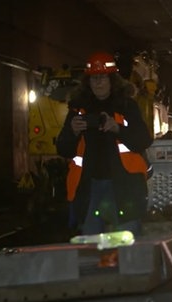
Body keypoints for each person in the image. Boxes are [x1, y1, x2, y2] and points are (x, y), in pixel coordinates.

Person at [57, 51, 153, 238]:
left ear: (112, 80)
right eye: (94, 78)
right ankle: (101, 266)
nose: (98, 82)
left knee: (126, 241)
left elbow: (144, 140)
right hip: (90, 187)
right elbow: (63, 149)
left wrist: (117, 128)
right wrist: (73, 131)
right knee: (91, 243)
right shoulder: (78, 109)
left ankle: (125, 266)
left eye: (103, 78)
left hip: (124, 186)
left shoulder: (126, 106)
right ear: (87, 82)